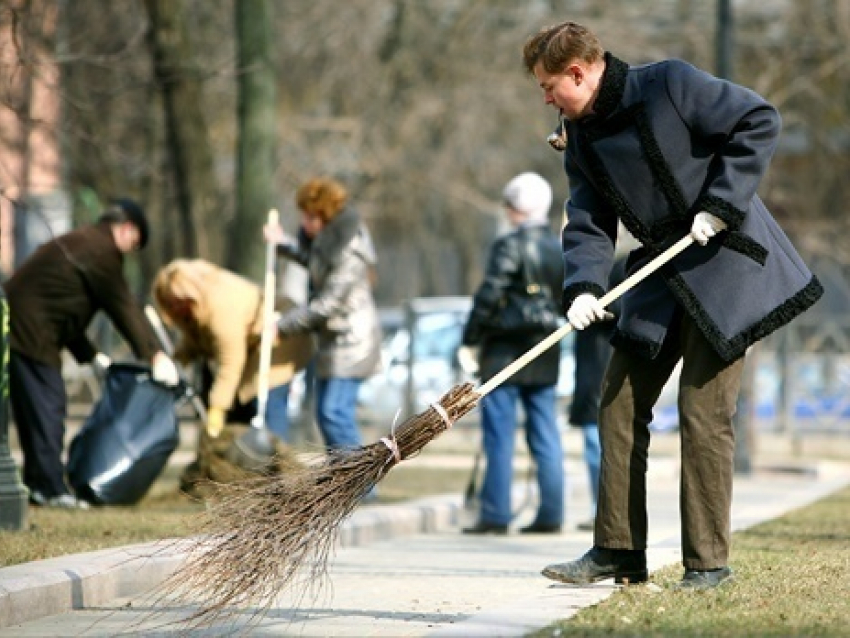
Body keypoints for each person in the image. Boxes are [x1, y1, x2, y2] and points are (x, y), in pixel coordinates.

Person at [522, 21, 823, 588]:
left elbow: (758, 118)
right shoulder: (580, 135)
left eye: (547, 86)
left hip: (726, 264)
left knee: (702, 414)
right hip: (660, 275)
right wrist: (583, 287)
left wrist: (721, 203)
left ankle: (708, 565)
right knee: (614, 401)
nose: (545, 98)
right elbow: (587, 221)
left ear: (578, 72)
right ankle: (616, 550)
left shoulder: (670, 85)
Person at [4, 198, 180, 509]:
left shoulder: (83, 242)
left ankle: (39, 485)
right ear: (126, 229)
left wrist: (92, 356)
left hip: (22, 327)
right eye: (134, 244)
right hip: (29, 333)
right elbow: (123, 306)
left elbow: (64, 306)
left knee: (37, 409)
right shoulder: (101, 251)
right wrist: (154, 355)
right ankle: (50, 488)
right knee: (48, 406)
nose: (130, 252)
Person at [458, 172, 565, 535]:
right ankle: (551, 512)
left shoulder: (508, 245)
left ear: (516, 208)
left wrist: (470, 337)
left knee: (499, 435)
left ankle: (496, 514)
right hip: (546, 349)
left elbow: (489, 295)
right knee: (545, 432)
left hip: (504, 351)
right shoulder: (558, 246)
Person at [265, 177, 382, 450]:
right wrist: (282, 243)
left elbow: (328, 304)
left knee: (334, 413)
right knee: (326, 414)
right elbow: (314, 263)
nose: (304, 223)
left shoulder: (349, 249)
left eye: (309, 217)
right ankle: (342, 484)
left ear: (325, 216)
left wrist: (281, 327)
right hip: (335, 340)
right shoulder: (327, 243)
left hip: (353, 342)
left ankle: (362, 486)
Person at [151, 258, 314, 441]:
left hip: (279, 340)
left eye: (177, 302)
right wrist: (174, 361)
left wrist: (217, 408)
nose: (175, 309)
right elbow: (195, 343)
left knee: (265, 402)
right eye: (170, 304)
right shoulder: (196, 309)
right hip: (254, 346)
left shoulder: (220, 306)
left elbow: (230, 363)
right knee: (242, 404)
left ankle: (279, 461)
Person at [569, 254, 625, 532]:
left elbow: (629, 305)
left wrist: (599, 304)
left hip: (607, 363)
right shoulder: (589, 261)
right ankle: (599, 508)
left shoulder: (623, 264)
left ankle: (606, 512)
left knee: (600, 443)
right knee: (594, 441)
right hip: (593, 362)